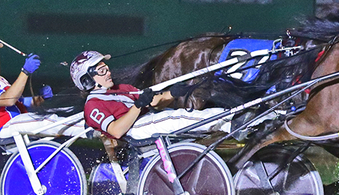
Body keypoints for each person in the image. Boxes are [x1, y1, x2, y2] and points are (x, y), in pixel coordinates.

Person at [70, 50, 232, 140]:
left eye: (107, 68)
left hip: (146, 121)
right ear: (87, 81)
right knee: (176, 118)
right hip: (134, 130)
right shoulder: (92, 105)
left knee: (176, 115)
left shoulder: (122, 88)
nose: (108, 73)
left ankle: (230, 119)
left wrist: (173, 93)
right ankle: (230, 120)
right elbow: (116, 130)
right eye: (102, 71)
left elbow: (155, 102)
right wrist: (138, 106)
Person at [0, 53, 54, 130]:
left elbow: (22, 102)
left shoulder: (1, 79)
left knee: (58, 114)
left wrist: (42, 98)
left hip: (19, 123)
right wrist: (25, 71)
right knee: (50, 121)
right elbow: (8, 100)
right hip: (5, 127)